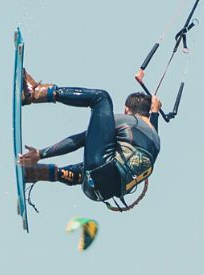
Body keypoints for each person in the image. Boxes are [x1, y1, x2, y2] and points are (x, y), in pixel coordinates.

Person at [18, 71, 163, 206]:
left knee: (102, 97)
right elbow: (152, 127)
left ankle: (34, 93)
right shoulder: (156, 141)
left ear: (126, 109)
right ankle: (34, 173)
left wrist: (41, 154)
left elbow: (82, 139)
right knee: (96, 165)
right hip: (98, 192)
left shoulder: (128, 121)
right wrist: (155, 112)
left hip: (101, 171)